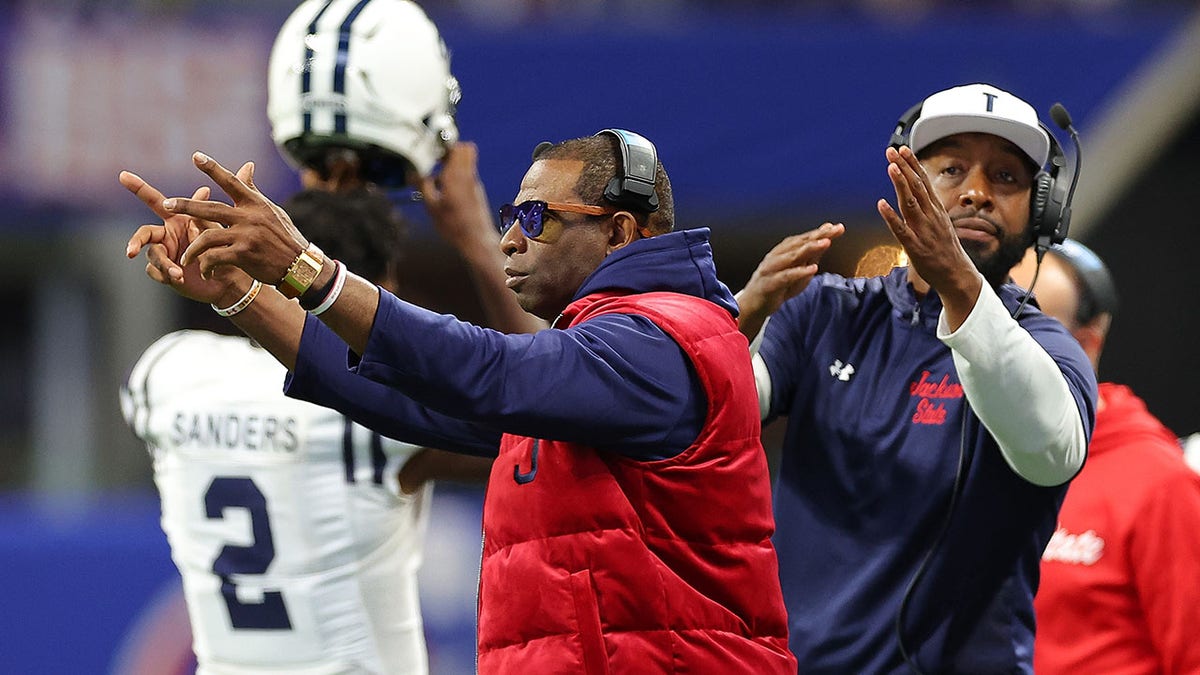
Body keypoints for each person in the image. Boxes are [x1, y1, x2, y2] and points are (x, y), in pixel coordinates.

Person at [133, 128, 797, 673]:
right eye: (510, 218)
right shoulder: (599, 355)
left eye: (535, 218)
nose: (511, 238)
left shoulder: (659, 339)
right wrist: (240, 293)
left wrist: (304, 267)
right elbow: (402, 397)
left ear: (620, 231)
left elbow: (487, 368)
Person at [120, 1, 538, 672]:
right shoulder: (383, 421)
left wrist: (257, 271)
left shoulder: (163, 373)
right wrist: (474, 240)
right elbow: (541, 402)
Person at [736, 83, 1098, 673]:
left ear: (1042, 210)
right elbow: (703, 427)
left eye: (1006, 178)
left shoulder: (1047, 346)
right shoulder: (824, 312)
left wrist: (958, 280)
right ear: (908, 190)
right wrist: (739, 317)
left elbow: (1051, 452)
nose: (977, 193)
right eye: (952, 169)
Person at [1008, 239, 1200, 675]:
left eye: (1023, 325)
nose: (997, 348)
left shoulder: (1159, 484)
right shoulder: (961, 452)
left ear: (1087, 345)